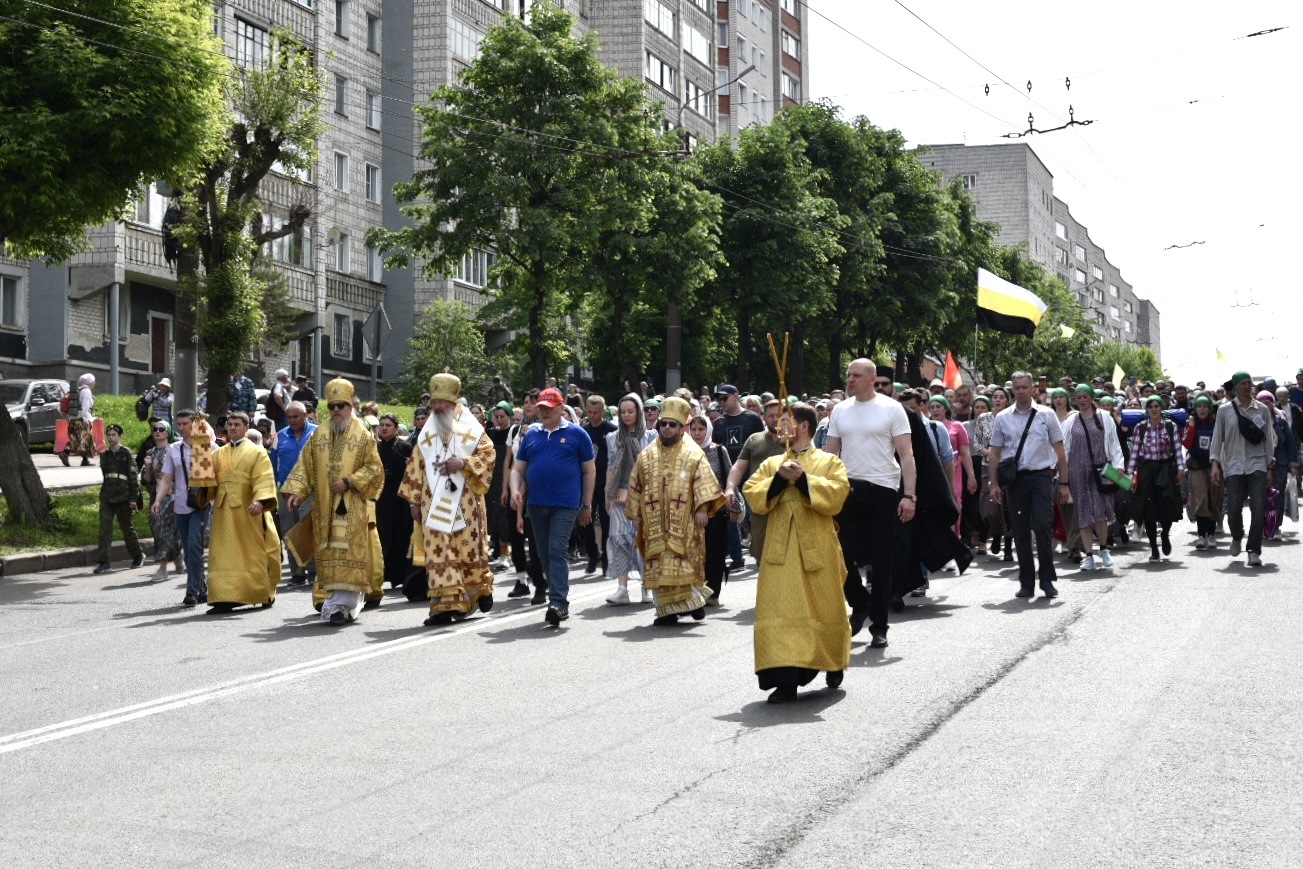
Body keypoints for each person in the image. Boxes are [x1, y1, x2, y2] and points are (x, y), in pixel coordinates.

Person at [744, 402, 851, 704]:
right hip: (780, 548)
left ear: (803, 426)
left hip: (818, 547)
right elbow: (753, 495)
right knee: (781, 610)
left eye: (785, 422)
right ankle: (786, 683)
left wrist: (803, 479)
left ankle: (832, 661)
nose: (778, 427)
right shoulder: (771, 463)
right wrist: (779, 478)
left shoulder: (829, 462)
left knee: (824, 606)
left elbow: (838, 495)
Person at [824, 361, 916, 648]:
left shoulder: (891, 408)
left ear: (872, 379)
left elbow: (907, 454)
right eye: (848, 375)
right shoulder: (839, 410)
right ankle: (860, 602)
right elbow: (829, 454)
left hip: (883, 490)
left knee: (881, 560)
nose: (850, 379)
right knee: (839, 556)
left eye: (856, 375)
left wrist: (909, 495)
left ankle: (879, 626)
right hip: (848, 490)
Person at [281, 379, 385, 625]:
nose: (336, 410)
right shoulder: (320, 434)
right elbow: (306, 466)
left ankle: (341, 606)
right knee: (328, 554)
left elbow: (375, 468)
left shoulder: (362, 434)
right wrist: (297, 490)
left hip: (352, 509)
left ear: (350, 406)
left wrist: (349, 481)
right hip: (324, 509)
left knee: (347, 553)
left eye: (341, 405)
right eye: (332, 406)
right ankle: (337, 603)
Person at [399, 373, 497, 625]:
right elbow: (416, 465)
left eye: (442, 402)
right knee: (440, 555)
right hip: (433, 504)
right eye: (434, 402)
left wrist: (463, 462)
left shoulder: (470, 428)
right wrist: (413, 500)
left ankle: (478, 591)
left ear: (453, 401)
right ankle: (443, 607)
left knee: (466, 551)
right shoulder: (427, 432)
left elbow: (488, 455)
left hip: (465, 504)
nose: (437, 407)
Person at [625, 397, 725, 626]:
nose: (667, 428)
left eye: (672, 424)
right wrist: (636, 516)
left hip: (686, 521)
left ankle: (694, 602)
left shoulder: (693, 453)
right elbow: (636, 485)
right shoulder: (647, 454)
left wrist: (701, 508)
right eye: (663, 424)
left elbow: (705, 483)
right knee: (659, 564)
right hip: (654, 523)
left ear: (682, 428)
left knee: (685, 561)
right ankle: (667, 611)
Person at [511, 386, 596, 626]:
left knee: (557, 549)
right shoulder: (532, 435)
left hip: (565, 503)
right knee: (543, 552)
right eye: (541, 408)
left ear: (560, 408)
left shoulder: (578, 434)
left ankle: (558, 602)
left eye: (549, 408)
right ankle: (557, 598)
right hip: (536, 503)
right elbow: (518, 469)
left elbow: (589, 471)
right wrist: (515, 489)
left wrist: (587, 504)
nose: (544, 412)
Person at [988, 371, 1071, 600]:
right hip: (1015, 481)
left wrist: (1064, 483)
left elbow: (1060, 452)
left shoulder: (1047, 414)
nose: (1022, 391)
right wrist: (993, 483)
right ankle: (1026, 582)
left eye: (1025, 387)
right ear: (1012, 390)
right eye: (1017, 388)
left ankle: (1047, 580)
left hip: (1042, 477)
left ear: (1033, 387)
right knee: (1021, 531)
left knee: (1043, 526)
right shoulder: (1002, 417)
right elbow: (994, 454)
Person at [205, 412, 281, 612]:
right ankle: (223, 598)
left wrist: (259, 500)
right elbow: (207, 482)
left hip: (248, 511)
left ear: (246, 428)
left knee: (251, 552)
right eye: (229, 424)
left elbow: (264, 478)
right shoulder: (217, 454)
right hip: (223, 513)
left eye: (237, 424)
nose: (232, 428)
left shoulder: (257, 452)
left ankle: (258, 592)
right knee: (222, 555)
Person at [1209, 371, 1275, 566]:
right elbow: (1217, 438)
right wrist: (1214, 464)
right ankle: (1237, 536)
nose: (1248, 386)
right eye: (1243, 383)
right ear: (1236, 387)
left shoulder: (1261, 410)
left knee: (1258, 508)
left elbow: (1268, 438)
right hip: (1234, 465)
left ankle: (1254, 550)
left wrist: (1270, 465)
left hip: (1258, 464)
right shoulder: (1224, 410)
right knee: (1235, 508)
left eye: (1250, 383)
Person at [152, 410, 212, 607]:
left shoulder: (208, 447)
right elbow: (166, 478)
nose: (181, 427)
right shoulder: (174, 449)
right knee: (189, 551)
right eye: (179, 424)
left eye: (185, 423)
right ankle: (202, 588)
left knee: (195, 545)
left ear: (195, 424)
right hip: (181, 506)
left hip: (201, 506)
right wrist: (158, 500)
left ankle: (191, 591)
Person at [1062, 384, 1124, 570]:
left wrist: (1118, 464)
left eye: (1085, 396)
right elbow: (1064, 449)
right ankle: (1088, 555)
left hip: (1101, 470)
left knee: (1100, 511)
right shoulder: (1070, 421)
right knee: (1083, 513)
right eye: (1078, 397)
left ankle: (1103, 549)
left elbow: (1114, 443)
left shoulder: (1104, 418)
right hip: (1077, 472)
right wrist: (1062, 475)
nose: (1082, 400)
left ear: (1091, 398)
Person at [603, 394, 656, 605]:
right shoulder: (612, 437)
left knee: (643, 540)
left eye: (630, 411)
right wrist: (608, 495)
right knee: (619, 540)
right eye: (623, 411)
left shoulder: (651, 436)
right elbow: (610, 467)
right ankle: (622, 588)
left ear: (639, 412)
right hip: (620, 494)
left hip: (644, 494)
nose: (626, 415)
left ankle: (647, 588)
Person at [724, 399, 788, 566]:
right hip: (760, 504)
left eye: (778, 415)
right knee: (760, 551)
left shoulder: (794, 440)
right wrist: (730, 487)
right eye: (771, 416)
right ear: (763, 418)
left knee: (786, 554)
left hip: (788, 503)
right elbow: (739, 466)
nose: (775, 419)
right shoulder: (754, 440)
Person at [1128, 395, 1186, 562]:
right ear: (1147, 409)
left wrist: (1180, 469)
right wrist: (1131, 474)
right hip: (1147, 472)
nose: (1154, 409)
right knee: (1149, 512)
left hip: (1166, 470)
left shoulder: (1170, 426)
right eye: (1150, 406)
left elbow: (1176, 449)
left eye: (1156, 406)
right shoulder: (1141, 428)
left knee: (1167, 507)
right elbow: (1135, 453)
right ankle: (1154, 548)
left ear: (1161, 408)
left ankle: (1165, 534)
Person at [712, 384, 765, 569]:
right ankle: (736, 558)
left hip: (751, 476)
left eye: (725, 398)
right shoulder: (719, 422)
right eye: (719, 399)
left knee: (752, 516)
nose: (722, 402)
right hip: (729, 477)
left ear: (736, 396)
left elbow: (762, 445)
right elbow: (715, 450)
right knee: (731, 517)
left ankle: (760, 551)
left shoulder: (752, 418)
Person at [272, 401, 318, 585]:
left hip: (311, 490)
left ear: (305, 415)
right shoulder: (280, 437)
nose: (291, 420)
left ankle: (314, 572)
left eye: (295, 417)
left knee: (310, 529)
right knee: (289, 531)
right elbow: (273, 466)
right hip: (286, 491)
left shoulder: (318, 433)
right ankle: (297, 574)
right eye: (289, 417)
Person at [690, 411, 732, 606]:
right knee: (695, 551)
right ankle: (695, 589)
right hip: (691, 511)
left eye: (701, 429)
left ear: (708, 430)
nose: (697, 433)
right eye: (694, 429)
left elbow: (729, 477)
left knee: (714, 552)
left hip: (717, 511)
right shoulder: (685, 452)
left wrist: (733, 501)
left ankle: (713, 593)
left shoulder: (718, 451)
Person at [92, 424, 144, 574]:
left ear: (120, 436)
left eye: (114, 435)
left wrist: (133, 498)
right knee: (105, 529)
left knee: (126, 528)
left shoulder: (126, 453)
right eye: (109, 435)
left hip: (124, 496)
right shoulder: (105, 454)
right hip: (107, 496)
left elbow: (133, 478)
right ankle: (104, 561)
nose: (111, 438)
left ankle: (138, 555)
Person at [375, 412, 415, 591]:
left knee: (401, 534)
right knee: (383, 535)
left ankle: (402, 575)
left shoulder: (405, 447)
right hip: (382, 499)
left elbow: (414, 472)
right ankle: (385, 574)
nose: (384, 428)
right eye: (381, 425)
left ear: (396, 428)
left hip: (401, 499)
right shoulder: (375, 449)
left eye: (388, 425)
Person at [141, 419, 183, 582]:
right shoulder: (150, 453)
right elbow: (147, 479)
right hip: (156, 497)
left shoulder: (173, 450)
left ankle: (162, 568)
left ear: (168, 432)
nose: (157, 432)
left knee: (163, 529)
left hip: (172, 496)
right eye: (155, 429)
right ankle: (178, 553)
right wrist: (148, 467)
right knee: (159, 528)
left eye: (161, 429)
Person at [580, 394, 617, 576]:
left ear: (603, 411)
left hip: (605, 483)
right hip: (587, 483)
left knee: (606, 521)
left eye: (596, 412)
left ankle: (606, 560)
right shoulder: (582, 431)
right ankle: (592, 555)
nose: (593, 415)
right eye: (590, 412)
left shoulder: (612, 430)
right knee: (584, 521)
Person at [1183, 395, 1224, 549]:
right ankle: (1201, 535)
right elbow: (1186, 443)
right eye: (1199, 406)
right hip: (1197, 467)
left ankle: (1212, 534)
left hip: (1215, 466)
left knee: (1215, 499)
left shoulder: (1217, 423)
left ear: (1209, 408)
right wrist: (1192, 426)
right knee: (1200, 499)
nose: (1202, 409)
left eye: (1205, 406)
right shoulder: (1191, 423)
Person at [485, 402, 514, 568]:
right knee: (492, 517)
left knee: (504, 518)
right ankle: (495, 550)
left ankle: (505, 553)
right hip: (492, 479)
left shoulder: (513, 432)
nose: (499, 420)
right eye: (496, 417)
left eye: (502, 417)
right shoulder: (490, 433)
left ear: (509, 416)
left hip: (508, 478)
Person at [61, 373, 97, 467]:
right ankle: (65, 453)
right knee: (82, 439)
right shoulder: (86, 391)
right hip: (81, 418)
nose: (94, 383)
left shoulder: (78, 390)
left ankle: (85, 461)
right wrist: (85, 419)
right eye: (93, 381)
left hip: (73, 418)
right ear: (90, 382)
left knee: (79, 439)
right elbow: (85, 406)